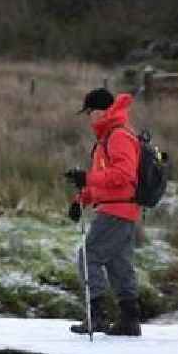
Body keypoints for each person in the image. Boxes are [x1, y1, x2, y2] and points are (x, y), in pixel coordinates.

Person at [65, 87, 142, 336]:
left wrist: (87, 177)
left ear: (101, 111)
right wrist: (81, 199)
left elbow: (124, 175)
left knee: (89, 256)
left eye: (89, 111)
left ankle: (96, 316)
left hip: (117, 210)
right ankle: (130, 320)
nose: (88, 117)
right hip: (121, 209)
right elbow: (102, 182)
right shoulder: (107, 137)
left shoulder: (118, 136)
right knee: (119, 264)